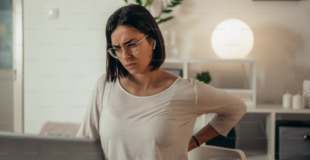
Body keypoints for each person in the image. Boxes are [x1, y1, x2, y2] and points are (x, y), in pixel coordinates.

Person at [75, 4, 247, 160]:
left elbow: (236, 108)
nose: (125, 56)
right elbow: (85, 143)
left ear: (152, 40)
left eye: (132, 44)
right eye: (117, 49)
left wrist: (194, 142)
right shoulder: (105, 85)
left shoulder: (187, 91)